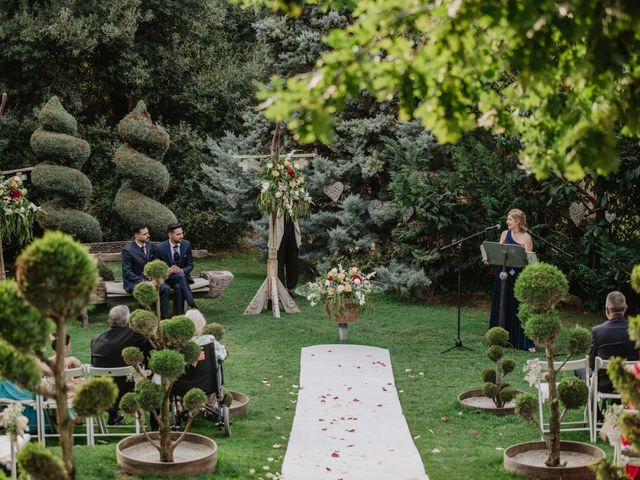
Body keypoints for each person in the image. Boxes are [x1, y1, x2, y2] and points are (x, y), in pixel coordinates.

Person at [90, 305, 151, 425]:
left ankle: (113, 416)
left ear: (109, 320)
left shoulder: (95, 339)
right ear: (128, 320)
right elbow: (151, 347)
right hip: (129, 389)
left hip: (104, 394)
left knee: (110, 367)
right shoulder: (135, 336)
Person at [488, 208, 535, 351]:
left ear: (518, 221)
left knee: (517, 306)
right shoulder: (504, 234)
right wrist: (489, 257)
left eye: (509, 219)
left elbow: (529, 260)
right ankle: (498, 338)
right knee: (502, 303)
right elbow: (499, 252)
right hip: (503, 274)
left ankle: (522, 341)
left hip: (518, 276)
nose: (507, 222)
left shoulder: (526, 237)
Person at [587, 291, 639, 393]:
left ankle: (595, 409)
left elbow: (592, 364)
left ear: (607, 310)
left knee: (581, 371)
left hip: (605, 386)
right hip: (632, 383)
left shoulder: (597, 331)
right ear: (625, 308)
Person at [121, 224, 170, 318]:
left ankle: (163, 318)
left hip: (152, 280)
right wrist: (145, 282)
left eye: (148, 233)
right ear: (136, 236)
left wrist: (156, 278)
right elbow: (127, 272)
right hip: (135, 281)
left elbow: (155, 262)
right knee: (144, 289)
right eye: (145, 234)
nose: (148, 235)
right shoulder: (127, 250)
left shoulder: (150, 246)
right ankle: (146, 318)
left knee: (165, 288)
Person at [154, 223, 197, 316]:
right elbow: (156, 269)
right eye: (178, 234)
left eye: (182, 233)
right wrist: (167, 271)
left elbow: (190, 265)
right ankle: (193, 305)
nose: (181, 236)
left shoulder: (186, 244)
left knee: (179, 286)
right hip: (165, 278)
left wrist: (180, 270)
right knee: (180, 278)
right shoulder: (160, 248)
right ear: (170, 235)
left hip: (180, 279)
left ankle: (179, 315)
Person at [277, 213, 301, 296]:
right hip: (278, 233)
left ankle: (289, 288)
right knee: (278, 262)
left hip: (291, 231)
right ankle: (281, 290)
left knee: (292, 261)